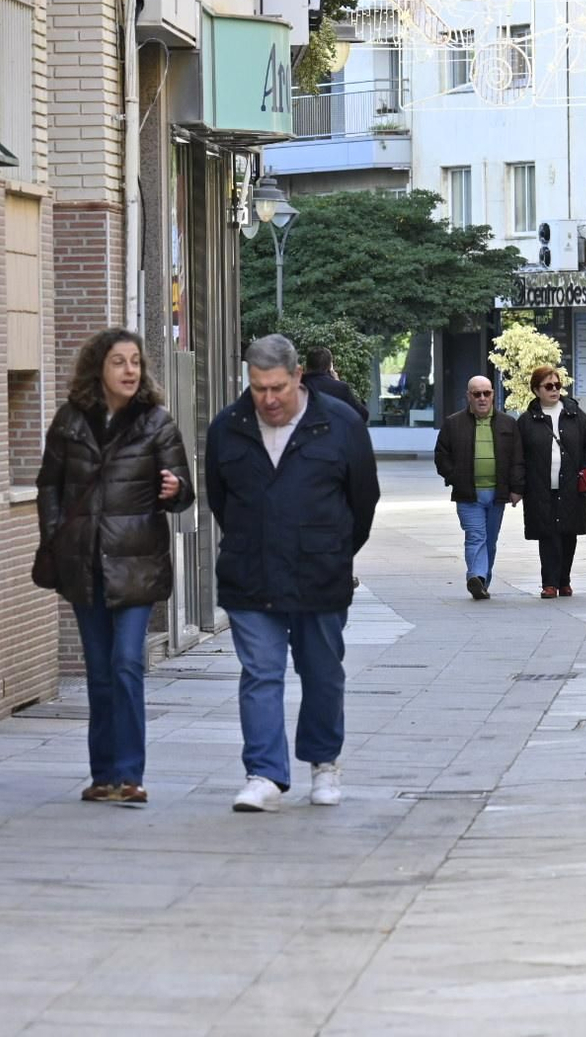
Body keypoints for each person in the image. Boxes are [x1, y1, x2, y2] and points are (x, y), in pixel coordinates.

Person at [204, 334, 380, 813]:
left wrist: (337, 551)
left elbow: (364, 499)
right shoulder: (228, 427)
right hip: (250, 572)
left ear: (298, 376)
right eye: (259, 388)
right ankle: (263, 773)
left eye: (278, 387)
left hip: (319, 573)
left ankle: (324, 764)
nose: (269, 399)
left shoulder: (339, 424)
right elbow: (220, 499)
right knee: (260, 673)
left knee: (322, 672)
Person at [37, 328, 196, 804]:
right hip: (84, 565)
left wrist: (175, 489)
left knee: (126, 663)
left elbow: (183, 487)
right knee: (100, 672)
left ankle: (129, 775)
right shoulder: (69, 422)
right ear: (98, 370)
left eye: (135, 362)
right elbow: (49, 485)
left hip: (137, 566)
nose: (130, 371)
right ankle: (103, 775)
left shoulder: (157, 424)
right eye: (119, 362)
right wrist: (56, 536)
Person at [434, 375, 524, 600]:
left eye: (487, 393)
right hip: (468, 495)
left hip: (497, 494)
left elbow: (517, 458)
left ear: (493, 394)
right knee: (476, 536)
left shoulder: (507, 423)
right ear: (469, 397)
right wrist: (455, 476)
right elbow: (441, 456)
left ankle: (483, 580)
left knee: (490, 541)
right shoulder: (453, 423)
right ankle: (476, 576)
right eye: (477, 394)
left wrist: (517, 488)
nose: (482, 398)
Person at [518, 365, 586, 599]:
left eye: (557, 385)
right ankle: (549, 583)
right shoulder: (526, 421)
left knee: (568, 533)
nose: (554, 390)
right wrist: (518, 485)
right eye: (548, 386)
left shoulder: (575, 414)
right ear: (536, 390)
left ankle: (564, 580)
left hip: (571, 486)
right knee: (548, 535)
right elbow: (518, 454)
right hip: (540, 487)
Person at [301, 345, 369, 422]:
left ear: (307, 365)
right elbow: (363, 415)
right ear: (330, 367)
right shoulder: (340, 388)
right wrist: (337, 382)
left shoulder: (297, 385)